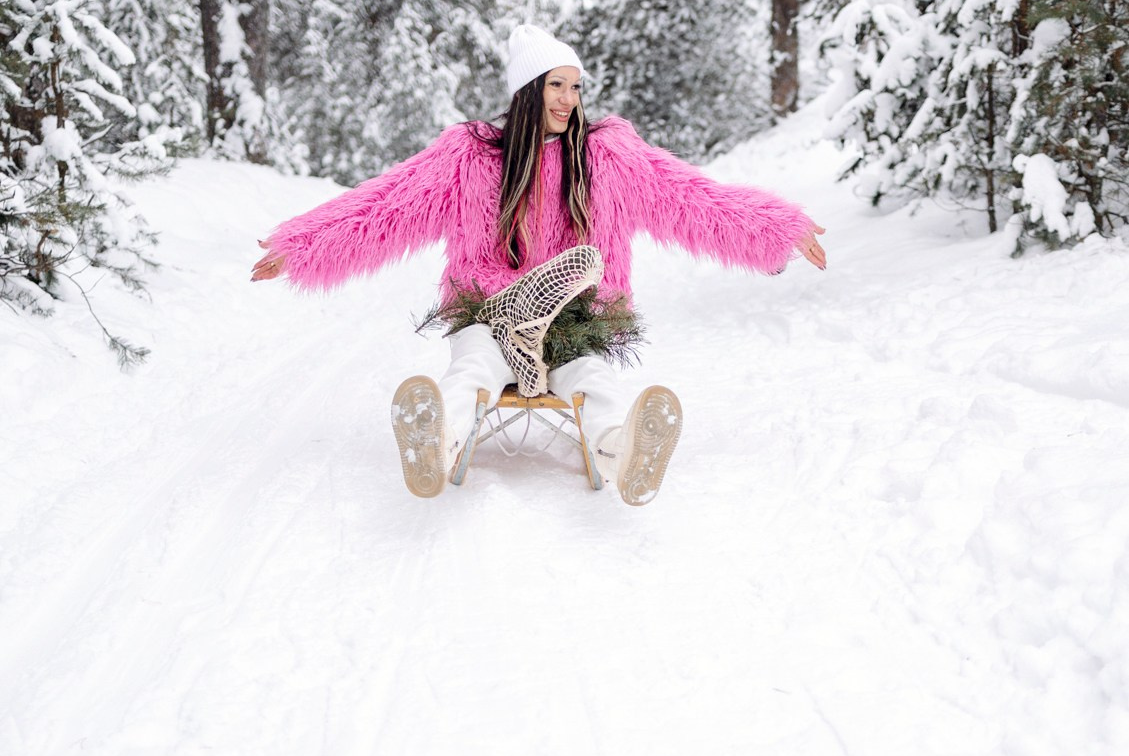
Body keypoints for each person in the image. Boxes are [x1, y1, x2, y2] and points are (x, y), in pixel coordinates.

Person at [252, 25, 826, 504]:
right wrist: (300, 246)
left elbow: (690, 198)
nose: (568, 99)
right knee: (475, 362)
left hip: (577, 313)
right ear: (528, 89)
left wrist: (779, 230)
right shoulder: (471, 157)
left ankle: (623, 450)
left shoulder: (608, 156)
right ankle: (438, 438)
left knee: (588, 374)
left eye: (576, 87)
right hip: (490, 308)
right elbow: (388, 205)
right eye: (556, 85)